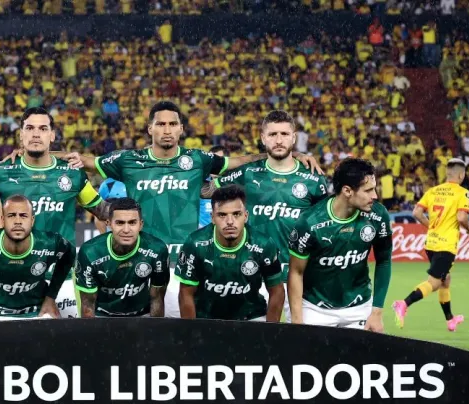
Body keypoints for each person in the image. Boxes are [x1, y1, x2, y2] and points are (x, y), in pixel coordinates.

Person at [53, 101, 323, 318]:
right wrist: (27, 156)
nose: (167, 130)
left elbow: (237, 161)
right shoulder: (127, 160)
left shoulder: (196, 159)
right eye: (161, 124)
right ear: (150, 129)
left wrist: (288, 155)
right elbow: (81, 161)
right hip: (141, 263)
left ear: (181, 128)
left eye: (173, 124)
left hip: (184, 266)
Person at [0, 107, 110, 318]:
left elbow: (105, 213)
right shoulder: (2, 173)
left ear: (52, 135)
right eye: (30, 128)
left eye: (43, 129)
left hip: (62, 280)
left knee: (64, 347)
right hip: (12, 279)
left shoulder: (72, 174)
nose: (36, 134)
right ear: (21, 134)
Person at [215, 110, 330, 320]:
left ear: (294, 137)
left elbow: (323, 229)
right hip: (252, 273)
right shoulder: (246, 173)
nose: (279, 140)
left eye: (285, 134)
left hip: (298, 276)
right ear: (263, 138)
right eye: (273, 134)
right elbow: (205, 189)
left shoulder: (313, 180)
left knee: (301, 342)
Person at [288, 158, 392, 331]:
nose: (375, 196)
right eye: (368, 190)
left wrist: (376, 313)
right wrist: (298, 323)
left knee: (364, 358)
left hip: (360, 308)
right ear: (347, 191)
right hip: (315, 308)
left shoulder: (378, 215)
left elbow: (384, 261)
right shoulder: (309, 223)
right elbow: (296, 272)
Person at [176, 185, 284, 321]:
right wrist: (191, 333)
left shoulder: (264, 244)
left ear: (245, 216)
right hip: (206, 319)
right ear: (212, 218)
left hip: (252, 317)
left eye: (236, 214)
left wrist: (270, 333)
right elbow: (186, 293)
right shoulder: (195, 243)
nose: (230, 222)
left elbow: (277, 291)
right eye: (222, 215)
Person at [393, 158, 469, 331]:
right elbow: (461, 217)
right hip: (446, 246)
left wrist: (431, 226)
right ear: (461, 174)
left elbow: (416, 212)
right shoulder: (463, 193)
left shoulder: (433, 191)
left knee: (446, 279)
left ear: (447, 173)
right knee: (435, 283)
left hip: (431, 243)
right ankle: (403, 303)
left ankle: (450, 320)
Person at [0, 195, 75, 321]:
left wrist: (51, 297)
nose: (18, 221)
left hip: (37, 311)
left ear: (32, 220)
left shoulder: (50, 242)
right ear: (2, 219)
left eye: (23, 215)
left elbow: (69, 254)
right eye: (11, 215)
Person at [76, 198, 169, 318]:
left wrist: (154, 332)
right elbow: (88, 305)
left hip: (142, 316)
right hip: (103, 317)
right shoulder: (90, 252)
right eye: (120, 223)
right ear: (109, 223)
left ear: (140, 225)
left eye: (132, 223)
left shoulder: (157, 249)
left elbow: (157, 298)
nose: (126, 230)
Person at [199, 145, 228, 228]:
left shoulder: (234, 182)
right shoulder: (200, 181)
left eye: (219, 161)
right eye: (212, 161)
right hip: (202, 230)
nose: (215, 165)